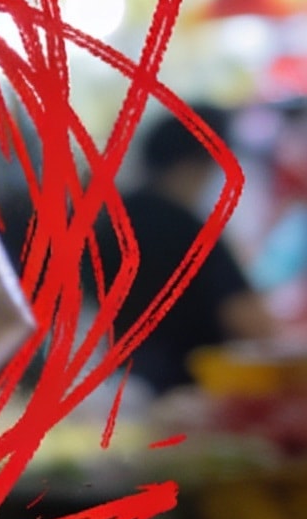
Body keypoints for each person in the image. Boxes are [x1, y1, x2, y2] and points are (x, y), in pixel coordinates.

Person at [96, 105, 273, 398]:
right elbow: (250, 322)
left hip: (123, 390)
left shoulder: (111, 221)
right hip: (193, 393)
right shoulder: (189, 228)